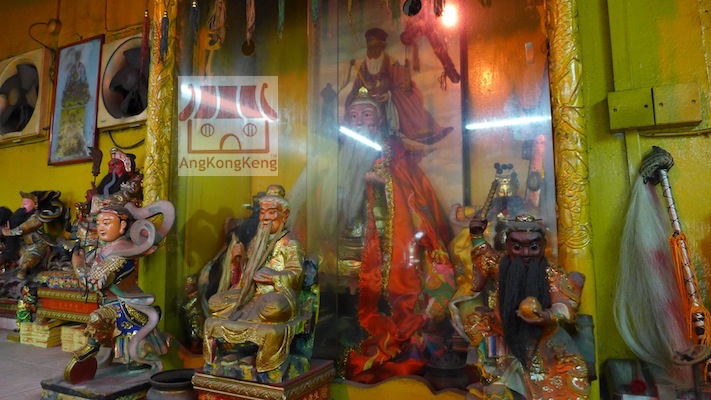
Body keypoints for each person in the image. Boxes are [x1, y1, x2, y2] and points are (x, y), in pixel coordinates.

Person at [335, 88, 456, 383]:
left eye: (366, 115)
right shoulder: (342, 155)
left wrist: (379, 184)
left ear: (379, 121)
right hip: (350, 239)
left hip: (387, 243)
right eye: (354, 116)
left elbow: (407, 198)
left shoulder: (393, 154)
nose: (360, 122)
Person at [452, 214, 590, 398]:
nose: (525, 254)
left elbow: (564, 303)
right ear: (507, 244)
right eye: (517, 247)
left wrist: (547, 315)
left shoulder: (552, 274)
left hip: (543, 342)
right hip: (503, 336)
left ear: (543, 245)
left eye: (533, 247)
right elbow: (484, 254)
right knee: (477, 327)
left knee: (568, 381)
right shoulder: (499, 264)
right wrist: (477, 235)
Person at [63, 201, 175, 384]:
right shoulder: (105, 249)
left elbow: (93, 282)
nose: (101, 227)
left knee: (97, 319)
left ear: (122, 226)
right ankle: (100, 351)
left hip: (123, 306)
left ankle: (92, 348)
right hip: (110, 303)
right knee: (101, 324)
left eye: (107, 223)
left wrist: (77, 263)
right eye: (99, 223)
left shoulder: (119, 253)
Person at [203, 185, 307, 378]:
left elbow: (297, 273)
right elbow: (245, 278)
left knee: (272, 308)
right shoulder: (255, 242)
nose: (266, 218)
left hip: (276, 294)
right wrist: (238, 261)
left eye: (271, 212)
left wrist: (274, 276)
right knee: (215, 303)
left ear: (284, 215)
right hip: (249, 293)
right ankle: (239, 351)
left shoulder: (290, 242)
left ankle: (260, 357)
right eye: (263, 213)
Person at [345, 27, 452, 145]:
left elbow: (404, 88)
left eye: (375, 47)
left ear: (382, 46)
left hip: (388, 108)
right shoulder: (363, 67)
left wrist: (389, 96)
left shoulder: (393, 64)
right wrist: (364, 93)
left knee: (390, 139)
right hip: (370, 111)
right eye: (369, 48)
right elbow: (356, 89)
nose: (372, 51)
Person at [1, 191, 64, 279]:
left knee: (29, 261)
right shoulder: (21, 218)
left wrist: (8, 232)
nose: (22, 207)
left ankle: (24, 270)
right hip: (26, 246)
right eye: (22, 203)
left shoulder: (36, 218)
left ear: (36, 204)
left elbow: (25, 228)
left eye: (26, 203)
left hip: (37, 245)